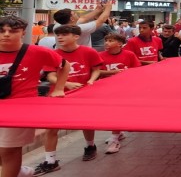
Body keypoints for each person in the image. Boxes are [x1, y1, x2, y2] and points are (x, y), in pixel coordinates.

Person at [0, 16, 69, 177]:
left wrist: (59, 88)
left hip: (20, 109)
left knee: (9, 150)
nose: (6, 34)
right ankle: (20, 171)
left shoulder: (37, 52)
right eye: (2, 31)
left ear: (23, 32)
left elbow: (64, 65)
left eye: (13, 31)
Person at [36, 25, 102, 175]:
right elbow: (50, 75)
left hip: (84, 94)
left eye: (64, 34)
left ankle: (90, 146)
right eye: (58, 35)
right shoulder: (53, 54)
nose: (60, 37)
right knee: (51, 127)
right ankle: (50, 160)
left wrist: (91, 80)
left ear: (76, 36)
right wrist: (66, 83)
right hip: (58, 94)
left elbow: (96, 69)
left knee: (86, 122)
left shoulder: (89, 52)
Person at [97, 33, 140, 154]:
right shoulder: (99, 55)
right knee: (109, 113)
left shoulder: (129, 55)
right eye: (106, 40)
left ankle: (114, 139)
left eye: (110, 41)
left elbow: (137, 70)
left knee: (116, 112)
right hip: (106, 88)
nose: (106, 43)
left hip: (125, 89)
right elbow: (96, 71)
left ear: (120, 44)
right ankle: (118, 132)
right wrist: (112, 72)